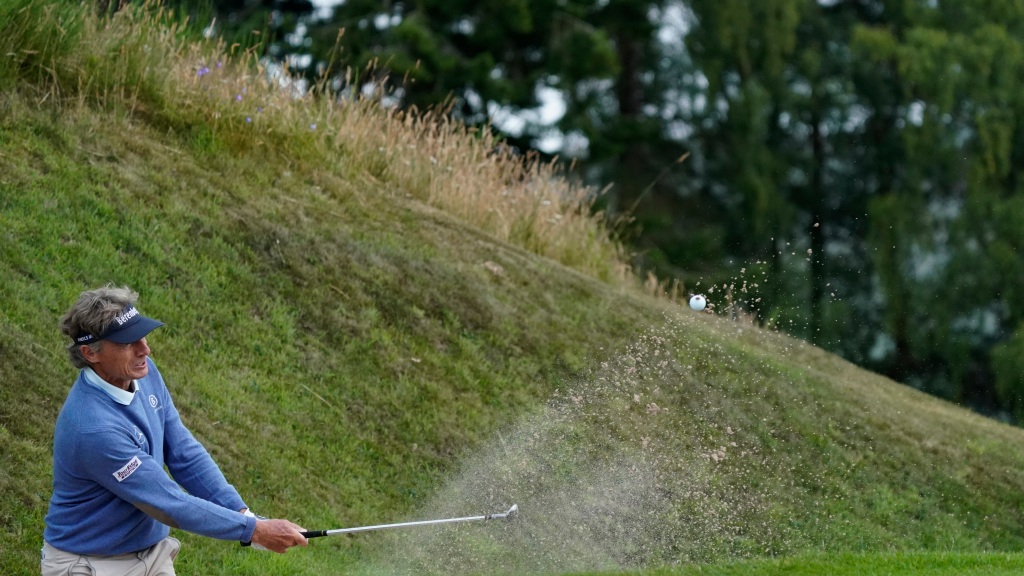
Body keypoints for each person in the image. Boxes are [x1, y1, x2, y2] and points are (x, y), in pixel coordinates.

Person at [42, 284, 307, 576]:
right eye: (128, 342)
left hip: (151, 555)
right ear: (90, 353)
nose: (145, 349)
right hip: (90, 564)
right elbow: (168, 503)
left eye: (142, 335)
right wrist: (254, 530)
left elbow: (183, 452)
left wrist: (242, 513)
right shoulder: (94, 429)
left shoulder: (144, 372)